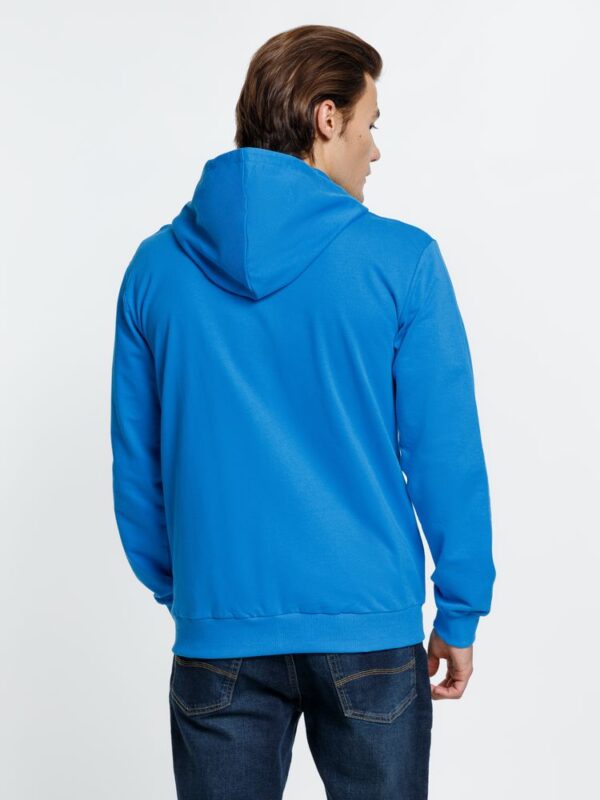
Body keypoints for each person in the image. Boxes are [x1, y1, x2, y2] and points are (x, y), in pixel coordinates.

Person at [110, 23, 496, 800]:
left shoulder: (155, 269)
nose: (374, 150)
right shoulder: (402, 261)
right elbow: (444, 453)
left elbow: (139, 465)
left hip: (219, 628)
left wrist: (198, 594)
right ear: (327, 118)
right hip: (368, 628)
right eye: (370, 123)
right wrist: (460, 609)